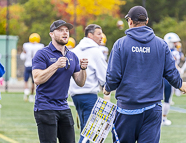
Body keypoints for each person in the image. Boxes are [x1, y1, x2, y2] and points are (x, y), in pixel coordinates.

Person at [103, 6, 186, 143]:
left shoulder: (120, 44)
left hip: (127, 109)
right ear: (146, 21)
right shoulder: (161, 44)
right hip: (152, 109)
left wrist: (107, 88)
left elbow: (113, 75)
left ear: (130, 21)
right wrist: (180, 85)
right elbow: (171, 72)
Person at [32, 19, 88, 143]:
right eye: (60, 30)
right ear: (51, 34)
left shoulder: (72, 55)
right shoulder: (42, 54)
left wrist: (83, 69)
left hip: (63, 107)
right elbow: (37, 79)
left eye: (67, 30)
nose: (65, 33)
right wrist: (55, 65)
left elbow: (80, 82)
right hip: (45, 107)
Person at [69, 24, 107, 143]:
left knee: (85, 130)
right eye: (99, 33)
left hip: (75, 95)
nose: (102, 36)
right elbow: (104, 77)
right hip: (89, 95)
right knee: (89, 133)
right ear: (90, 35)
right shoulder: (96, 51)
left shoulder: (75, 50)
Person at [162, 32, 183, 126]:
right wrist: (178, 69)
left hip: (160, 77)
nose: (177, 44)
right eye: (174, 42)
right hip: (166, 77)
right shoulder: (171, 52)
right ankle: (163, 118)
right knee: (166, 97)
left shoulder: (162, 50)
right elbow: (173, 63)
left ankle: (162, 118)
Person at [20, 33, 44, 102]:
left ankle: (26, 90)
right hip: (36, 66)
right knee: (34, 82)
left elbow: (22, 57)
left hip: (27, 65)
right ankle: (31, 95)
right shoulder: (40, 46)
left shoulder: (26, 45)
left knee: (26, 80)